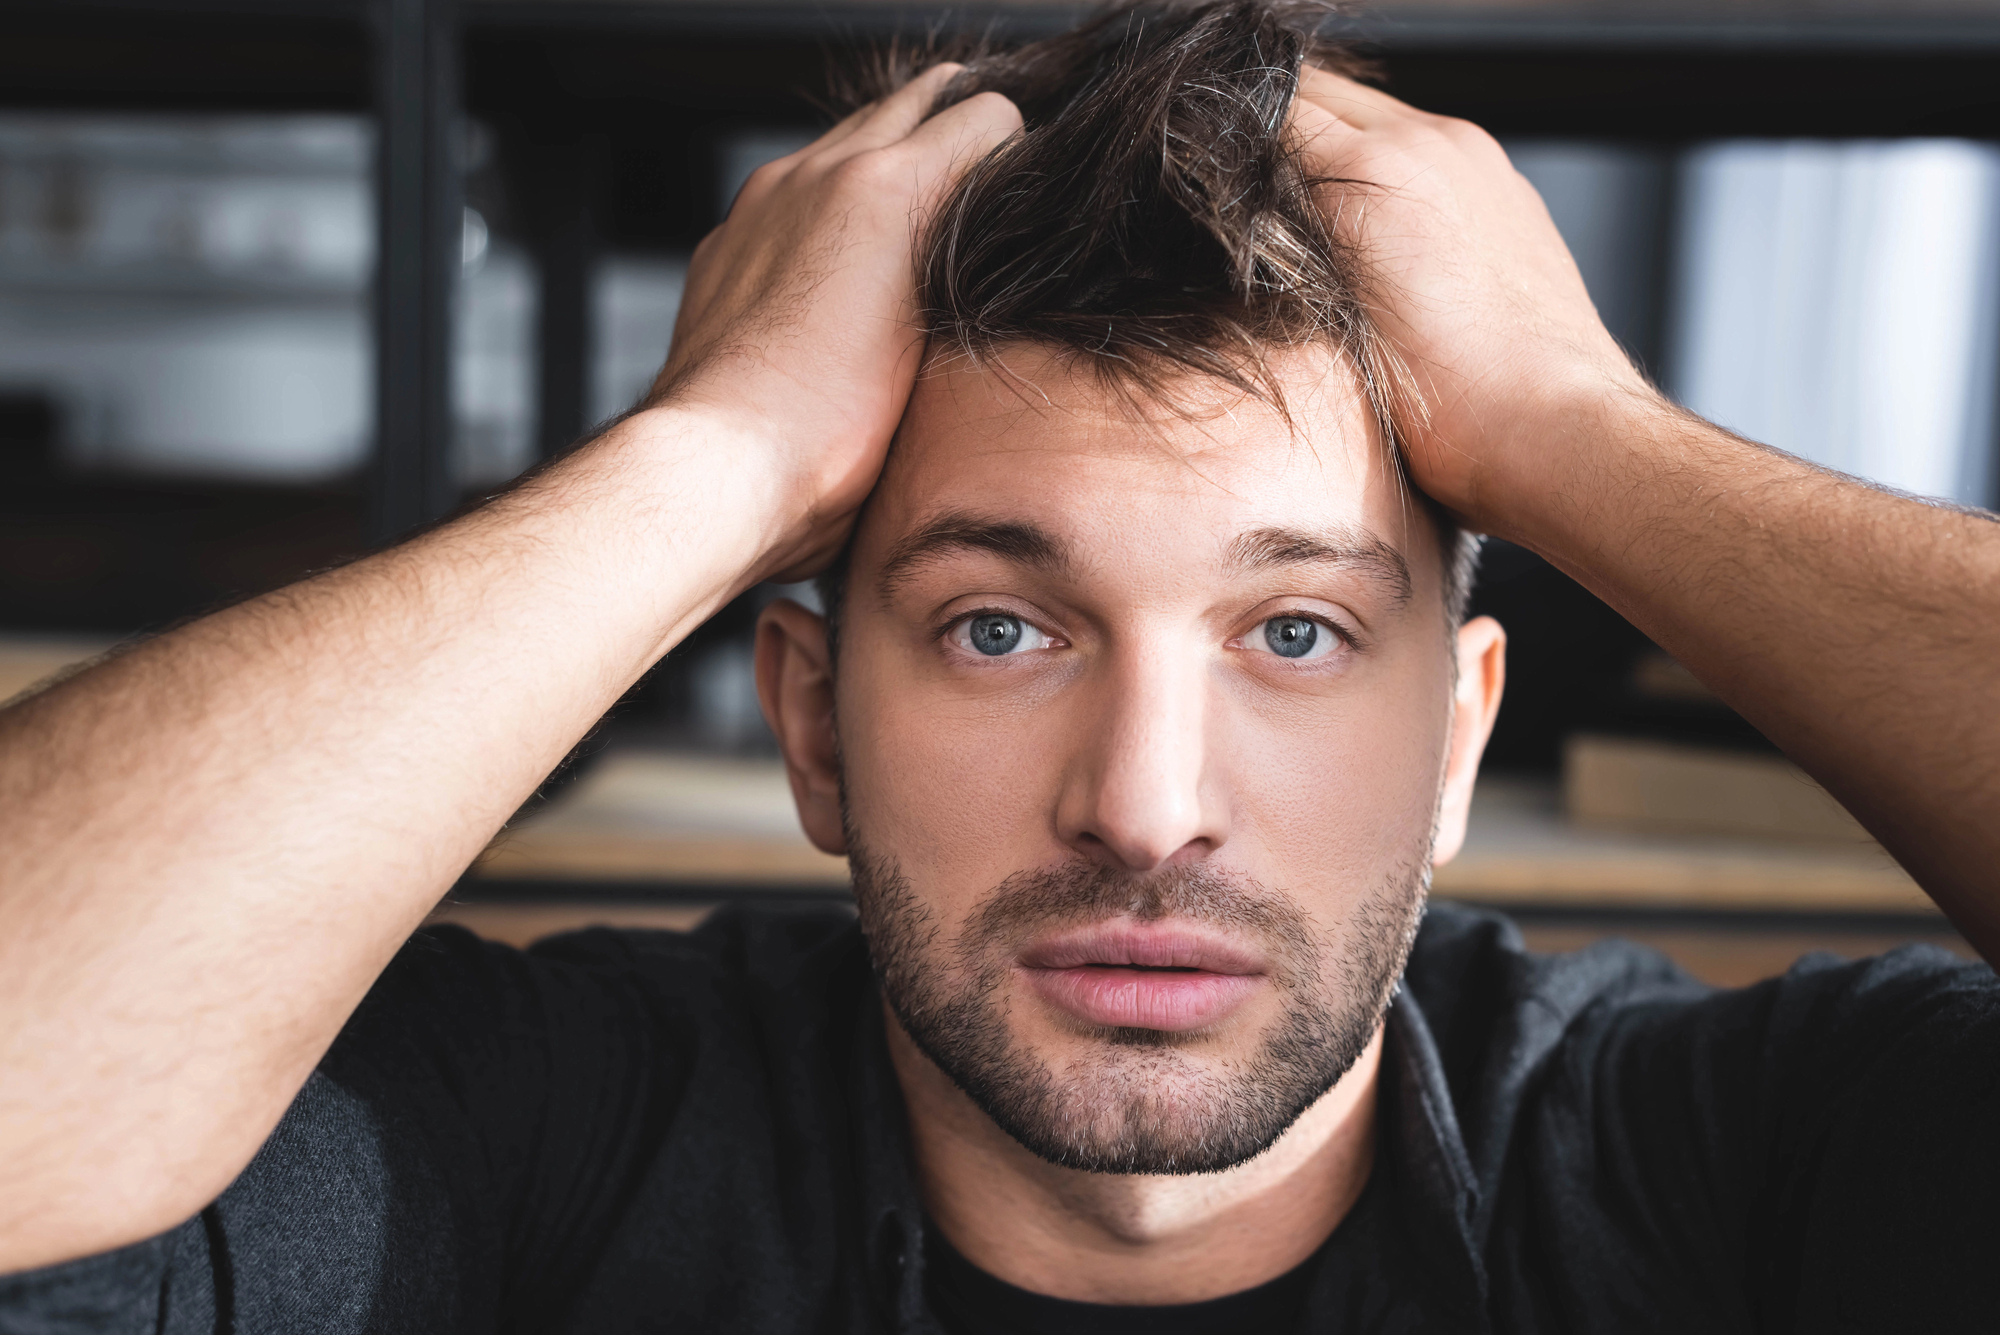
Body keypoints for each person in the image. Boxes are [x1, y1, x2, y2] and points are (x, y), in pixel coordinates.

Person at [2, 1, 1996, 1330]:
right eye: (1000, 625)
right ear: (811, 723)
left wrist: (1581, 433)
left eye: (1292, 630)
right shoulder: (546, 1131)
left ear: (1458, 731)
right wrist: (713, 457)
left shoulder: (1748, 1163)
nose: (1143, 800)